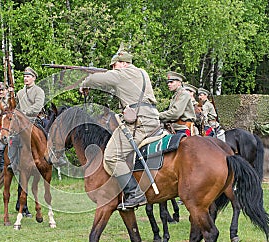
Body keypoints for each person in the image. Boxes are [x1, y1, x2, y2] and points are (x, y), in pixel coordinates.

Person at [79, 48, 160, 210]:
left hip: (139, 122)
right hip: (152, 118)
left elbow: (95, 79)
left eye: (114, 65)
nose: (113, 69)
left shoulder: (121, 74)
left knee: (111, 156)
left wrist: (84, 83)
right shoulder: (142, 72)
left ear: (123, 63)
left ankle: (134, 193)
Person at [7, 67, 45, 173]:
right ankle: (13, 162)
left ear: (34, 78)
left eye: (28, 76)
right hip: (22, 123)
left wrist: (25, 112)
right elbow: (14, 107)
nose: (25, 78)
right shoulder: (20, 93)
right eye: (24, 76)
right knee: (13, 139)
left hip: (35, 119)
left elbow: (38, 106)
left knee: (49, 132)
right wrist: (10, 96)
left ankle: (54, 156)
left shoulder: (39, 91)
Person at [159, 72, 196, 136]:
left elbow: (176, 113)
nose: (169, 84)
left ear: (179, 83)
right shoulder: (176, 95)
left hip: (182, 128)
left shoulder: (184, 94)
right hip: (174, 127)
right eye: (168, 82)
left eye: (171, 82)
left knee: (173, 145)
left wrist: (157, 115)